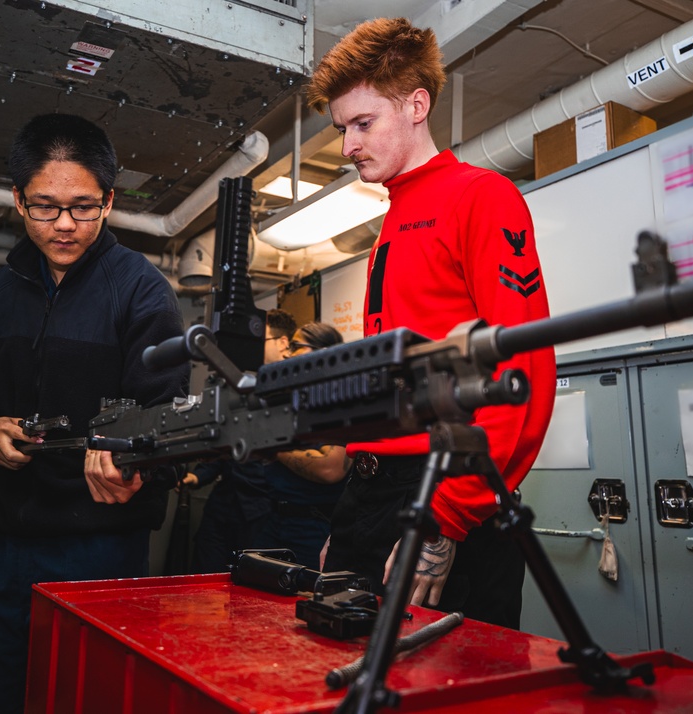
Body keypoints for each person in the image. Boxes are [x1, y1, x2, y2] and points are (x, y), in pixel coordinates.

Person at [0, 113, 189, 713]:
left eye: (84, 206)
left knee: (85, 697)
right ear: (18, 199)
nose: (66, 225)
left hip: (96, 550)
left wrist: (134, 462)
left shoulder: (141, 290)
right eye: (45, 207)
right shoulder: (0, 292)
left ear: (111, 200)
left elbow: (168, 414)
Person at [305, 17, 557, 628]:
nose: (348, 146)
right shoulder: (391, 221)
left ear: (416, 104)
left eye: (363, 124)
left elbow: (524, 370)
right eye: (343, 129)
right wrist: (354, 523)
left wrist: (444, 522)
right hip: (372, 494)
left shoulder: (481, 196)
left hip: (444, 492)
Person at [187, 318, 348, 571]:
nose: (287, 352)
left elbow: (330, 469)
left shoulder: (337, 401)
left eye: (296, 345)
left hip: (312, 525)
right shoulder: (289, 400)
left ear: (323, 352)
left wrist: (269, 446)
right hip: (274, 519)